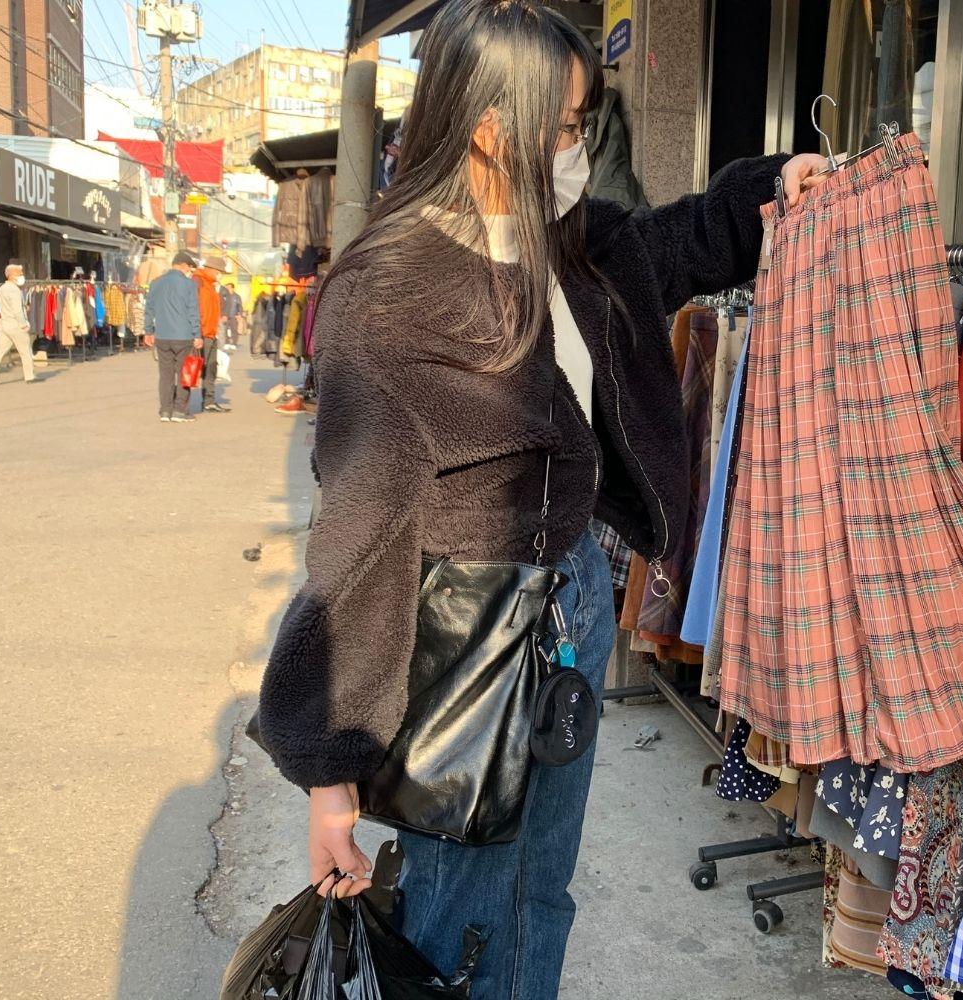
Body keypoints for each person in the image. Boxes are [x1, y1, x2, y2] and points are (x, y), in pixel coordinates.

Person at [254, 2, 827, 996]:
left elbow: (673, 244)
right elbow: (359, 538)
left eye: (583, 124)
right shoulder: (387, 293)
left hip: (571, 602)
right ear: (491, 125)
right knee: (465, 904)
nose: (579, 145)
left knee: (542, 890)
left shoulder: (568, 243)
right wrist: (331, 772)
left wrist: (769, 192)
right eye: (568, 126)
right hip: (462, 627)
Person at [144, 251, 202, 422]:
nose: (190, 272)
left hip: (162, 336)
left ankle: (165, 410)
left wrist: (148, 331)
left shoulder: (156, 283)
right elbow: (193, 311)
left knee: (165, 374)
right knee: (185, 373)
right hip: (183, 336)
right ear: (183, 265)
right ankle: (179, 411)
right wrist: (197, 334)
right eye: (189, 268)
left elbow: (149, 310)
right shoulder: (189, 284)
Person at [0, 262, 39, 386]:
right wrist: (23, 324)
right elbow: (17, 310)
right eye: (20, 273)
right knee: (25, 351)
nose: (22, 276)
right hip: (15, 324)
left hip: (4, 324)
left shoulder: (2, 289)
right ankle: (29, 377)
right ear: (12, 275)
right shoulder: (14, 290)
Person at [193, 257, 230, 413]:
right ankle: (180, 404)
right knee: (195, 368)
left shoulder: (211, 285)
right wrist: (197, 333)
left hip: (211, 332)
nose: (220, 275)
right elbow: (194, 308)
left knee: (211, 368)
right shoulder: (198, 281)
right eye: (219, 272)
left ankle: (209, 401)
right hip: (201, 333)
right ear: (212, 270)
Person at [220, 280, 243, 347]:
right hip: (225, 315)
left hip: (233, 316)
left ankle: (234, 343)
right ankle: (226, 343)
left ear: (233, 288)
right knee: (225, 330)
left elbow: (239, 306)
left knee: (234, 330)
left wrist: (239, 314)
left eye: (229, 287)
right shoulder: (224, 296)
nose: (227, 289)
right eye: (226, 287)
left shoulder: (237, 296)